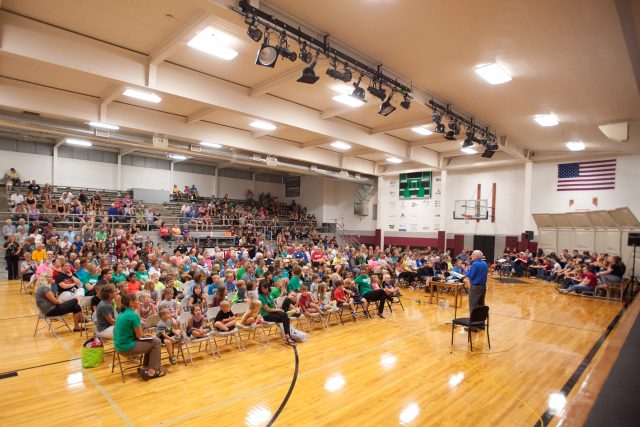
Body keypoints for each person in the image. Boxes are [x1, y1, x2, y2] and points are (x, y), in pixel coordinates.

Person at [114, 294, 164, 380]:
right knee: (157, 341)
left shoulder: (122, 313)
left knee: (151, 342)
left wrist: (144, 335)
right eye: (137, 300)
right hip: (126, 347)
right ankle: (153, 371)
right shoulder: (133, 315)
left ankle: (146, 368)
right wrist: (144, 335)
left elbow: (136, 334)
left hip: (118, 346)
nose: (139, 302)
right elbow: (139, 336)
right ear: (132, 303)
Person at [257, 280, 297, 346]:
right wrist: (278, 310)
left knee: (285, 316)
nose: (265, 290)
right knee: (286, 317)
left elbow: (273, 303)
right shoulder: (260, 297)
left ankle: (287, 336)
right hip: (267, 315)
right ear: (260, 289)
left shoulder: (269, 294)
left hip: (274, 312)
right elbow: (268, 310)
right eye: (263, 289)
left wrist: (277, 309)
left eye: (266, 288)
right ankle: (288, 336)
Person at [463, 250, 489, 326]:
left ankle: (473, 325)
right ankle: (481, 324)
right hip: (483, 287)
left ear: (476, 256)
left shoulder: (475, 264)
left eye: (473, 254)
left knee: (473, 306)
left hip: (476, 287)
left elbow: (470, 275)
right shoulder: (484, 263)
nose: (471, 256)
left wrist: (466, 270)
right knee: (481, 305)